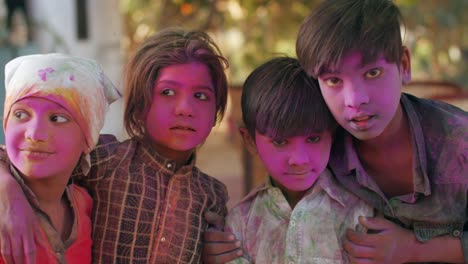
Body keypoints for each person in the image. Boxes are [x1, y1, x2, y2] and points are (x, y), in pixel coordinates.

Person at [204, 0, 468, 263]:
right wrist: (222, 242)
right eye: (333, 80)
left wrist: (414, 248)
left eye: (373, 72)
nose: (355, 99)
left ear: (404, 65)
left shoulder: (460, 143)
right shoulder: (319, 143)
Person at [0, 28, 230, 263]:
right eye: (167, 92)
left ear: (216, 112)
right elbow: (18, 156)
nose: (185, 109)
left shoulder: (212, 194)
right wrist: (7, 192)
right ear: (139, 105)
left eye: (201, 96)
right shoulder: (105, 159)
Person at [225, 56, 373, 263]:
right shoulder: (240, 222)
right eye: (279, 142)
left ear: (333, 134)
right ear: (250, 141)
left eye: (313, 139)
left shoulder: (360, 212)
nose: (298, 160)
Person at [0, 53, 120, 263]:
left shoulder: (88, 207)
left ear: (88, 139)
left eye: (57, 118)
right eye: (20, 114)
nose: (35, 134)